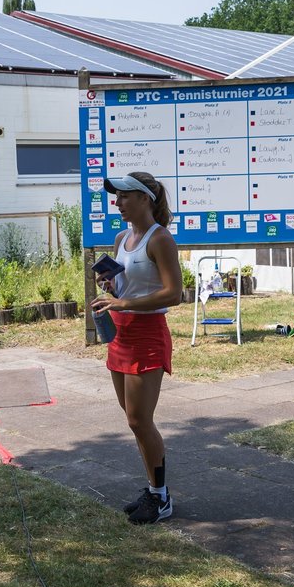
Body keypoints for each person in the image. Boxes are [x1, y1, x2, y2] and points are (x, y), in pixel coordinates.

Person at [93, 171, 183, 525]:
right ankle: (152, 490)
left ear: (145, 198)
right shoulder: (120, 237)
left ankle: (161, 499)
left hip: (147, 334)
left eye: (125, 196)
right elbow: (125, 289)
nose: (118, 203)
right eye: (117, 197)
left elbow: (173, 293)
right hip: (121, 334)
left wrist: (124, 304)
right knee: (134, 422)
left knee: (139, 420)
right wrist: (111, 286)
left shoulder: (160, 239)